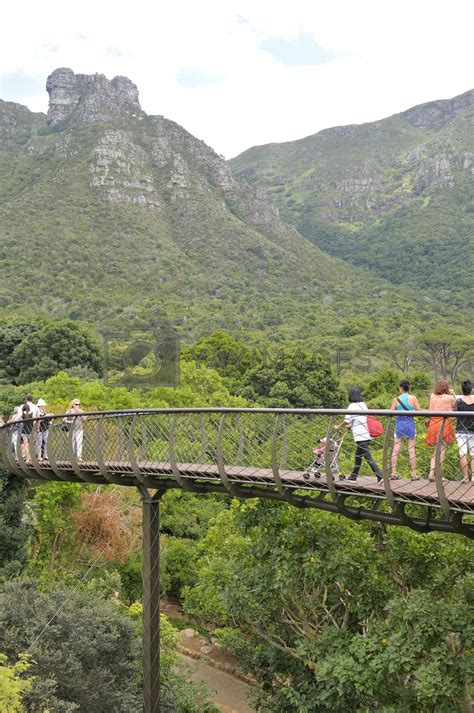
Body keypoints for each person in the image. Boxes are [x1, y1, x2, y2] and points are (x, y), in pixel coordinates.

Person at [336, 387, 383, 482]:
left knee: (367, 456)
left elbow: (346, 420)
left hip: (360, 435)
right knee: (358, 455)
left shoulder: (352, 406)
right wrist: (351, 425)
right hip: (367, 433)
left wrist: (338, 426)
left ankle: (380, 476)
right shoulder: (363, 405)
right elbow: (359, 419)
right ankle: (353, 477)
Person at [390, 379, 422, 481]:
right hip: (410, 424)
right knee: (411, 450)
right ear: (408, 387)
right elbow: (419, 410)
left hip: (399, 424)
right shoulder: (413, 398)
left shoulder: (396, 399)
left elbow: (391, 412)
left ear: (400, 388)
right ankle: (413, 474)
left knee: (396, 450)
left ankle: (394, 473)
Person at [426, 379, 456, 481]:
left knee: (435, 451)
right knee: (442, 451)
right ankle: (438, 474)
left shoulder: (432, 396)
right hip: (444, 424)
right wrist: (454, 394)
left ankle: (431, 473)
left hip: (433, 424)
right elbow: (456, 407)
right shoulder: (450, 397)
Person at [455, 380, 474, 482]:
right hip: (473, 430)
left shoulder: (459, 402)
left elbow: (456, 417)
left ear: (462, 389)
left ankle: (465, 477)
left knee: (462, 453)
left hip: (461, 430)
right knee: (473, 455)